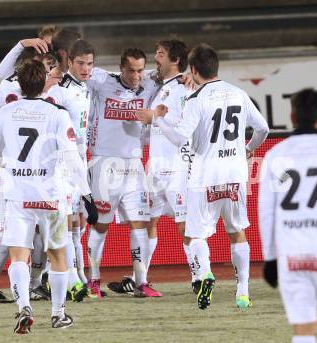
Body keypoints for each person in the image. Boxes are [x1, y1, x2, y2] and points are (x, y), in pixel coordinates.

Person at [139, 43, 269, 309]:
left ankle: (205, 273)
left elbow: (177, 138)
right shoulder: (238, 93)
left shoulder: (197, 99)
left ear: (194, 69)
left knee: (197, 234)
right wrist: (247, 149)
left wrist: (158, 119)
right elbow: (263, 128)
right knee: (238, 232)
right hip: (234, 173)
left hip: (204, 176)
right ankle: (243, 292)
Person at [0, 59, 97, 333]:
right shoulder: (58, 114)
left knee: (18, 255)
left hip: (18, 195)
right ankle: (58, 314)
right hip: (51, 195)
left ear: (19, 83)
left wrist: (13, 166)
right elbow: (72, 158)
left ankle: (23, 306)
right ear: (44, 81)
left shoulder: (4, 112)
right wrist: (87, 195)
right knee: (58, 255)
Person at [259, 88, 317, 343]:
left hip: (292, 255)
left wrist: (270, 258)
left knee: (303, 328)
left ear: (292, 116)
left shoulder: (275, 155)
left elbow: (266, 210)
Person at [107, 40, 193, 296]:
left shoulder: (184, 88)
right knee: (147, 222)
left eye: (161, 53)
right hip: (155, 167)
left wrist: (154, 117)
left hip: (176, 167)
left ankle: (199, 275)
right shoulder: (159, 85)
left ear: (175, 59)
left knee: (184, 224)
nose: (156, 56)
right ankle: (138, 277)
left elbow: (184, 128)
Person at [0, 47, 59, 304]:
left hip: (23, 172)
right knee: (22, 231)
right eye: (46, 66)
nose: (50, 71)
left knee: (31, 231)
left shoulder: (21, 95)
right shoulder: (15, 93)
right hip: (31, 174)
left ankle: (30, 286)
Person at [85, 48, 162, 297]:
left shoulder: (150, 82)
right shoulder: (102, 81)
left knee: (140, 223)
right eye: (131, 70)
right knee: (100, 226)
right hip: (104, 164)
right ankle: (93, 280)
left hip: (134, 165)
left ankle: (141, 281)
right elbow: (78, 72)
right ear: (121, 68)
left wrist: (185, 76)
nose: (136, 76)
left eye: (140, 70)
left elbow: (170, 73)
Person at [45, 39, 95, 301]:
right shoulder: (59, 89)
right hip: (62, 162)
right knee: (64, 221)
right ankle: (68, 277)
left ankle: (79, 275)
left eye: (89, 64)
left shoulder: (85, 87)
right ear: (70, 62)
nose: (86, 68)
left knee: (76, 222)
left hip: (79, 159)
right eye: (80, 63)